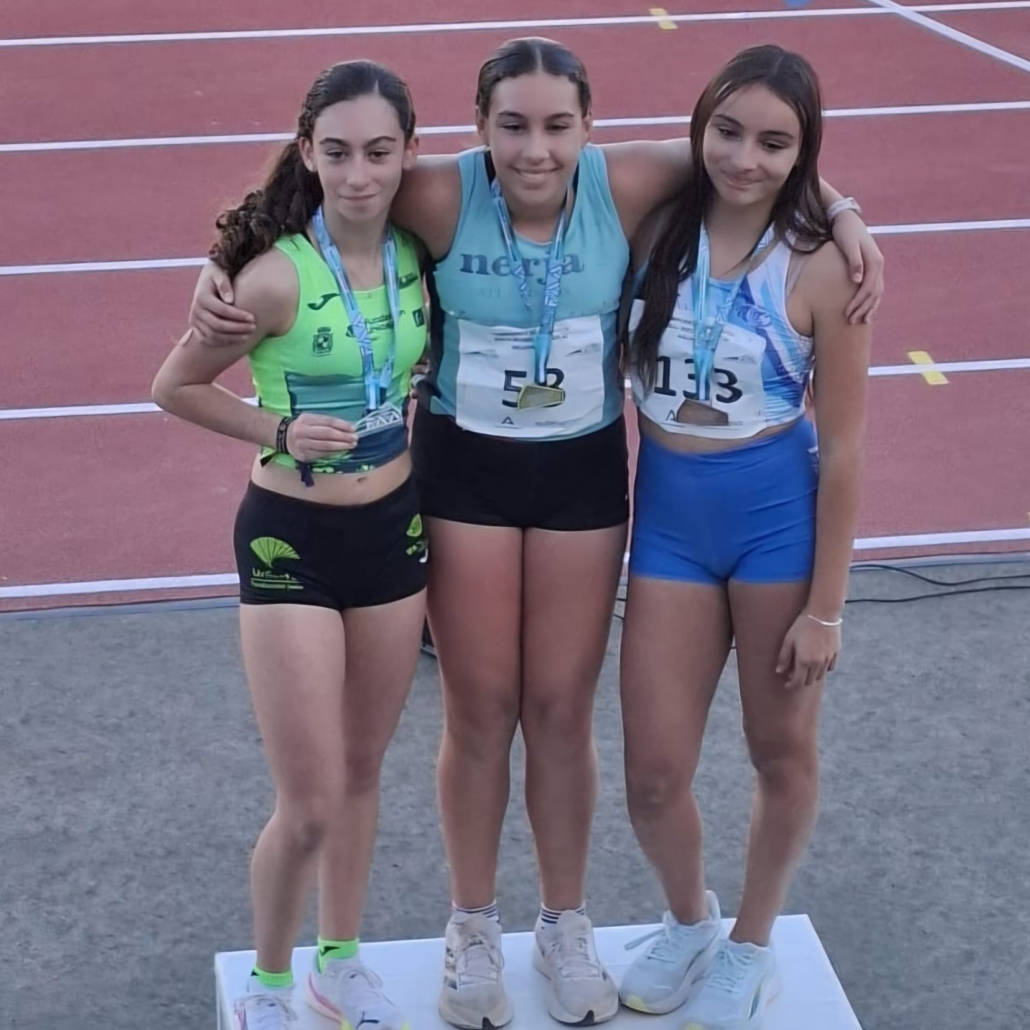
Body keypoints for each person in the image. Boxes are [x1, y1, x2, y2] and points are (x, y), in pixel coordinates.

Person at [186, 37, 884, 1028]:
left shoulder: (624, 181)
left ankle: (564, 923)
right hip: (463, 475)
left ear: (589, 129)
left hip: (579, 479)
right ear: (479, 129)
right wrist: (219, 268)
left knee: (559, 710)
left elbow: (755, 157)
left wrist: (847, 216)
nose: (535, 149)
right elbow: (333, 185)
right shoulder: (438, 192)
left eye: (558, 126)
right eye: (511, 125)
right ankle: (472, 925)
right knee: (478, 709)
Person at [151, 60, 428, 1030]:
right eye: (338, 152)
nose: (359, 175)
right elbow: (174, 386)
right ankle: (269, 984)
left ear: (408, 153)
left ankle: (337, 963)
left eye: (379, 152)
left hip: (393, 533)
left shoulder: (419, 246)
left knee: (362, 771)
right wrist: (275, 428)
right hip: (293, 541)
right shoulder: (272, 276)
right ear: (307, 151)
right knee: (308, 801)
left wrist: (840, 213)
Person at [616, 44, 872, 1029]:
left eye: (774, 143)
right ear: (700, 128)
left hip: (775, 522)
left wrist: (826, 609)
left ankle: (753, 945)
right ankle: (690, 919)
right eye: (726, 132)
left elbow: (844, 449)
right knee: (651, 773)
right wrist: (845, 202)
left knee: (778, 748)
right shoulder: (652, 223)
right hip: (669, 522)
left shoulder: (823, 264)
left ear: (803, 153)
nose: (744, 158)